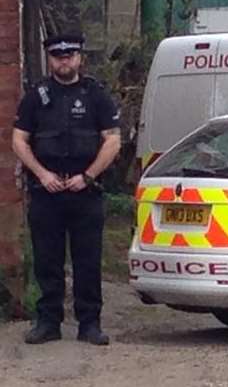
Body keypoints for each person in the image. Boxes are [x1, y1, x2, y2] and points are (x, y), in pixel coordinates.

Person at [12, 34, 122, 346]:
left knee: (87, 260)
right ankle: (48, 322)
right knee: (47, 260)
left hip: (85, 192)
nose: (64, 60)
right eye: (58, 55)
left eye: (70, 55)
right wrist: (42, 174)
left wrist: (87, 176)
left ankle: (90, 324)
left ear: (79, 58)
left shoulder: (96, 95)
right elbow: (18, 140)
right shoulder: (36, 96)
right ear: (50, 59)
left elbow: (112, 140)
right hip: (47, 191)